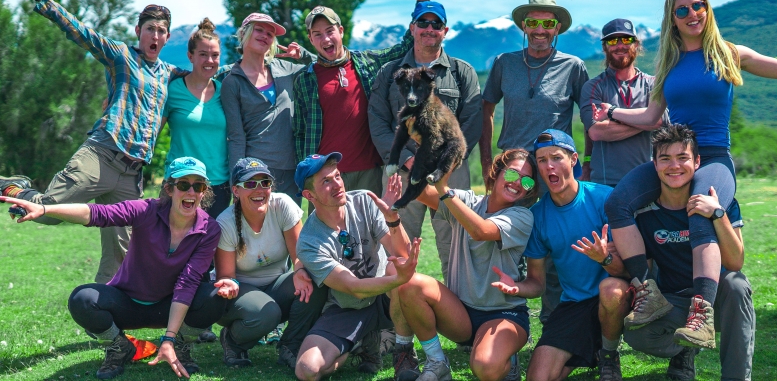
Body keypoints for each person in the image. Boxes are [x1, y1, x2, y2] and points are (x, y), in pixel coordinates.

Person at [593, 0, 777, 344]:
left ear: (707, 11)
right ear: (672, 19)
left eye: (699, 6)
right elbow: (652, 116)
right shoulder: (669, 64)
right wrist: (614, 110)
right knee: (618, 203)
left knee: (701, 209)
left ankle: (701, 313)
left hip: (713, 158)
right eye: (683, 10)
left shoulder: (729, 53)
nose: (693, 14)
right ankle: (649, 293)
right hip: (674, 156)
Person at [0, 0, 189, 283]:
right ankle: (14, 187)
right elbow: (81, 31)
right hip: (101, 155)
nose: (155, 36)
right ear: (139, 32)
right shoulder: (120, 55)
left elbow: (206, 78)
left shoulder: (171, 74)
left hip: (132, 175)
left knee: (122, 251)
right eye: (150, 29)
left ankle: (104, 323)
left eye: (161, 31)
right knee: (48, 213)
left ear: (167, 36)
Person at [1, 157, 225, 379]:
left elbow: (188, 282)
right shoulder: (146, 210)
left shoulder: (209, 229)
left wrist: (169, 338)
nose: (191, 192)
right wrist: (45, 209)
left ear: (204, 191)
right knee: (83, 298)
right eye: (184, 185)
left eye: (199, 186)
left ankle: (180, 347)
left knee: (214, 295)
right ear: (168, 189)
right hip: (128, 304)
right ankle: (119, 347)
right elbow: (98, 214)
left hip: (170, 307)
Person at [601, 124, 753, 381]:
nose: (674, 166)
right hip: (675, 299)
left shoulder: (720, 201)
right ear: (654, 164)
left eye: (683, 158)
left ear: (696, 162)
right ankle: (685, 350)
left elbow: (735, 261)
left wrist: (717, 214)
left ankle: (736, 377)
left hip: (716, 298)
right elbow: (639, 267)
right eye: (665, 159)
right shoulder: (642, 212)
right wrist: (605, 257)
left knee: (737, 284)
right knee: (637, 334)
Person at [480, 0, 590, 323]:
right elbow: (487, 108)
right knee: (504, 245)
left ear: (557, 28)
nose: (540, 29)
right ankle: (501, 318)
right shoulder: (504, 62)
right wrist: (487, 161)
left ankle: (556, 325)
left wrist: (586, 164)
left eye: (547, 23)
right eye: (533, 22)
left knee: (556, 251)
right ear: (523, 26)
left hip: (553, 173)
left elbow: (589, 118)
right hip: (513, 175)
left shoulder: (574, 67)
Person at [492, 130, 627, 381]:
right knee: (538, 378)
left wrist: (604, 259)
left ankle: (609, 354)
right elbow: (537, 283)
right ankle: (591, 348)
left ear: (573, 159)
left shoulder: (604, 198)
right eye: (542, 160)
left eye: (556, 158)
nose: (549, 166)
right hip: (575, 304)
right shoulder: (538, 215)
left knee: (611, 291)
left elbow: (630, 271)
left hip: (615, 296)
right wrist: (517, 288)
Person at [397, 149, 536, 381]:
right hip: (460, 313)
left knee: (485, 368)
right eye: (512, 175)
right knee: (410, 284)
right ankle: (437, 362)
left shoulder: (522, 216)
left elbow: (480, 231)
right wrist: (414, 164)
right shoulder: (469, 201)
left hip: (504, 314)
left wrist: (443, 189)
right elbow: (423, 194)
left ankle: (507, 358)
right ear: (497, 172)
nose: (518, 183)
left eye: (528, 180)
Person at [369, 0, 482, 279]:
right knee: (396, 243)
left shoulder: (461, 71)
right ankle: (396, 314)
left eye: (436, 24)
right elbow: (378, 121)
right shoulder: (389, 73)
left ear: (445, 30)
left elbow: (472, 121)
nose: (429, 29)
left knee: (455, 241)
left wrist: (446, 164)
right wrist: (405, 159)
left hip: (449, 172)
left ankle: (461, 314)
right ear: (412, 28)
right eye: (423, 23)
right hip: (403, 172)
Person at [293, 0, 431, 196]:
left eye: (330, 31)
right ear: (310, 39)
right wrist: (307, 173)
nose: (326, 39)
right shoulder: (304, 79)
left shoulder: (367, 62)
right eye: (318, 34)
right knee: (327, 230)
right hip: (325, 174)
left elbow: (404, 46)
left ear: (341, 31)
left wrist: (422, 4)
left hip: (369, 170)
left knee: (370, 229)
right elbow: (300, 132)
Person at [292, 153, 421, 381]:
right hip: (348, 307)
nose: (338, 185)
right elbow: (354, 288)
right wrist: (399, 278)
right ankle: (359, 343)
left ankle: (403, 350)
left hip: (387, 298)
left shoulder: (363, 201)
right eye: (326, 181)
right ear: (308, 195)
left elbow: (402, 253)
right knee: (307, 370)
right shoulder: (309, 242)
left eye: (337, 176)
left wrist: (392, 217)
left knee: (395, 267)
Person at [213, 157, 328, 370]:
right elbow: (226, 276)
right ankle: (233, 340)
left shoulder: (282, 205)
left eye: (264, 183)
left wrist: (301, 271)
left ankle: (290, 346)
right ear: (235, 191)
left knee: (316, 281)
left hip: (276, 287)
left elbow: (300, 256)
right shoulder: (225, 222)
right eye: (250, 184)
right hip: (239, 294)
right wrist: (228, 283)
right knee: (267, 312)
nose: (259, 190)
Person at [221, 13, 315, 203]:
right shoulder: (232, 81)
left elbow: (324, 65)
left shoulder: (286, 69)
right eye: (259, 30)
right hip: (255, 171)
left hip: (290, 170)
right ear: (244, 33)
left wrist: (303, 55)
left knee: (290, 230)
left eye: (270, 34)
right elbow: (236, 136)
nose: (265, 35)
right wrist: (237, 179)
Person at [579, 18, 664, 186]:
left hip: (647, 181)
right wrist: (647, 118)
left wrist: (612, 114)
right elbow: (596, 132)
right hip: (604, 184)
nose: (620, 46)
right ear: (605, 47)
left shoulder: (653, 84)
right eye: (612, 40)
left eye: (626, 39)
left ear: (636, 45)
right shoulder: (593, 87)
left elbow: (662, 121)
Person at [162, 18, 231, 219]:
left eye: (215, 55)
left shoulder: (225, 92)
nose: (209, 61)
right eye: (203, 54)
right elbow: (153, 130)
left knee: (211, 248)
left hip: (217, 184)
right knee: (172, 245)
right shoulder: (173, 90)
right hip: (179, 183)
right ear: (190, 56)